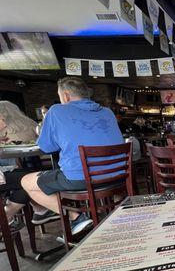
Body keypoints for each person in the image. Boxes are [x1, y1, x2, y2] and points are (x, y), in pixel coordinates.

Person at [21, 77, 124, 234]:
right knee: (62, 175)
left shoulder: (56, 111)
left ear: (66, 96)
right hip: (117, 175)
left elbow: (46, 147)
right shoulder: (107, 112)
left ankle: (76, 217)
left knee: (26, 181)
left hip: (81, 179)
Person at [0, 101, 57, 229]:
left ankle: (38, 210)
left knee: (27, 180)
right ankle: (43, 210)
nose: (3, 120)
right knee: (29, 179)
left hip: (7, 170)